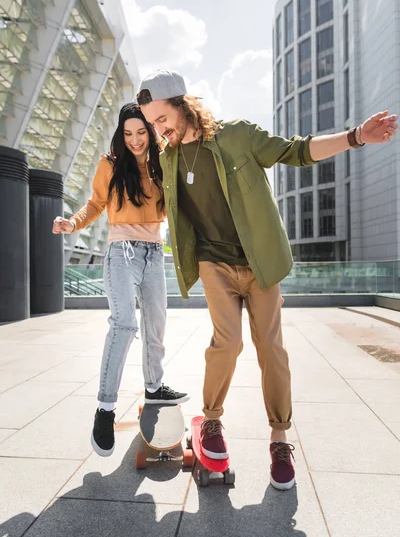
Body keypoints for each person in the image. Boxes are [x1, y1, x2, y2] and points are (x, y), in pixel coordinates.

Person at [137, 70, 397, 489]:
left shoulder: (238, 136)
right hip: (214, 263)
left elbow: (296, 151)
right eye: (152, 123)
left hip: (260, 263)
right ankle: (212, 422)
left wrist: (356, 137)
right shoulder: (167, 158)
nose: (158, 129)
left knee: (270, 348)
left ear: (183, 105)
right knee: (228, 341)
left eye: (161, 118)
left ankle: (279, 438)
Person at [53, 103, 189, 457]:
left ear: (150, 131)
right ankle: (105, 409)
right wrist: (72, 223)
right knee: (124, 325)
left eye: (141, 132)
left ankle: (155, 388)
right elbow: (96, 204)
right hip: (121, 254)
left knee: (156, 325)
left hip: (154, 252)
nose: (135, 140)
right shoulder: (110, 164)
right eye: (128, 133)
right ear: (121, 134)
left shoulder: (163, 163)